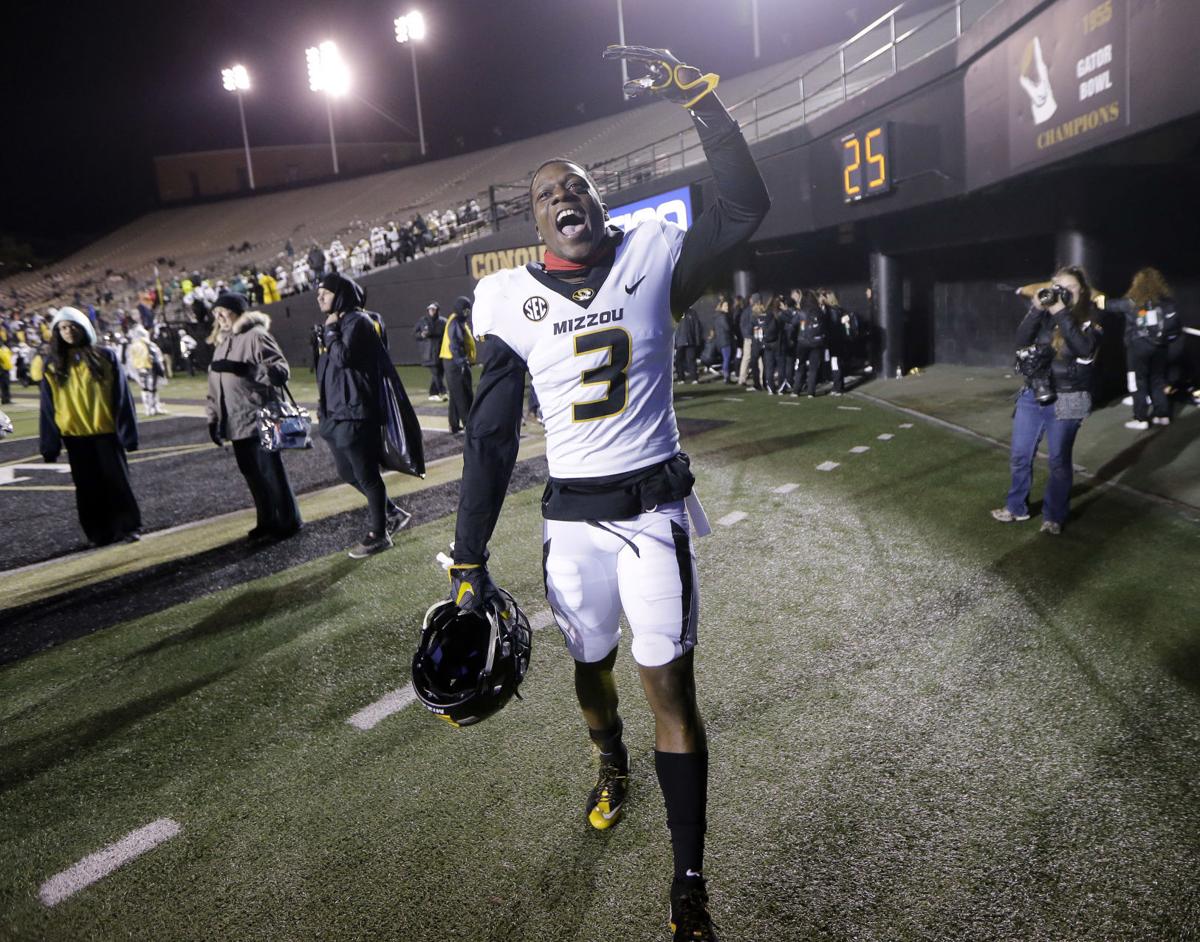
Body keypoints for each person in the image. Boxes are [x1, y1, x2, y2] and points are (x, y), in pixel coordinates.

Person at [446, 45, 768, 942]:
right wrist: (468, 556)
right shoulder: (507, 299)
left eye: (578, 185)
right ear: (534, 220)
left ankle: (688, 884)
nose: (566, 198)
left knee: (670, 683)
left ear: (598, 199)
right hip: (573, 526)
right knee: (589, 666)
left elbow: (746, 205)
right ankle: (609, 760)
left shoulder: (657, 255)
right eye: (550, 194)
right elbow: (492, 438)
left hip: (655, 514)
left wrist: (701, 103)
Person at [992, 266, 1100, 535]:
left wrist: (1060, 311)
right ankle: (1016, 507)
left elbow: (1083, 349)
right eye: (1058, 287)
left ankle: (1054, 515)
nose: (1062, 292)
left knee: (1058, 461)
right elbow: (1021, 340)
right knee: (1019, 454)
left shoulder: (1090, 321)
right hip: (1034, 393)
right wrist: (1037, 309)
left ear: (1082, 291)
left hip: (1068, 398)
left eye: (1069, 288)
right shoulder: (1046, 317)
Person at [315, 273, 411, 558]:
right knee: (347, 472)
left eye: (326, 292)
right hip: (336, 411)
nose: (319, 297)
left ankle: (379, 533)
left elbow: (344, 358)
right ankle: (392, 513)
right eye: (318, 292)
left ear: (342, 294)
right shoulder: (339, 322)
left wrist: (330, 333)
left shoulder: (358, 321)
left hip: (355, 410)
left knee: (367, 475)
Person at [39, 307, 141, 546]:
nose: (68, 331)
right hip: (75, 437)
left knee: (117, 482)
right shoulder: (52, 365)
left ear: (84, 328)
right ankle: (98, 533)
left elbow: (122, 398)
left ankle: (129, 527)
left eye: (73, 326)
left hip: (105, 432)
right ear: (56, 332)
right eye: (63, 327)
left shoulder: (105, 356)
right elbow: (47, 407)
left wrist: (128, 434)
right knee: (86, 489)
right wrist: (49, 445)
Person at [206, 293, 302, 544]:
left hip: (259, 416)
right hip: (236, 421)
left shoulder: (256, 335)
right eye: (216, 312)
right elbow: (214, 388)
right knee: (252, 474)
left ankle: (289, 521)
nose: (218, 316)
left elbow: (281, 371)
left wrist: (250, 370)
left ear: (238, 312)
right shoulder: (222, 342)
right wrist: (213, 418)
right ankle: (267, 520)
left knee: (271, 473)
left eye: (223, 311)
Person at [1101, 267, 1180, 430]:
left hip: (1138, 348)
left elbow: (1106, 305)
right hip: (1160, 346)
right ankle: (1162, 415)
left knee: (1139, 382)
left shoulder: (1131, 302)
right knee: (1158, 380)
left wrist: (1098, 298)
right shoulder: (1166, 302)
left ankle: (1140, 418)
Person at [440, 295, 476, 434]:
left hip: (453, 361)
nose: (467, 313)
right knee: (462, 393)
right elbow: (454, 345)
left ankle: (453, 424)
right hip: (455, 362)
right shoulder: (455, 321)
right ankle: (469, 424)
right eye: (466, 310)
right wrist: (462, 362)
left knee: (456, 393)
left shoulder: (457, 320)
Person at [127, 325, 167, 416]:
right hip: (149, 368)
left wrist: (133, 372)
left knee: (145, 389)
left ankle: (148, 409)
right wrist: (161, 370)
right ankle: (154, 408)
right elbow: (157, 357)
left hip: (139, 369)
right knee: (152, 389)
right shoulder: (147, 344)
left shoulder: (133, 346)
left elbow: (130, 360)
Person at [794, 290, 827, 398]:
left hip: (803, 342)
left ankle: (796, 390)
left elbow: (793, 325)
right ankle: (811, 391)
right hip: (816, 342)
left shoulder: (801, 312)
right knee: (813, 367)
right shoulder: (819, 311)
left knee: (800, 365)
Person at [413, 302, 447, 400]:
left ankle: (432, 394)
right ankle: (443, 392)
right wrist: (421, 335)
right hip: (428, 352)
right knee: (436, 372)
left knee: (439, 373)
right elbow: (415, 334)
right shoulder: (423, 321)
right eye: (430, 309)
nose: (431, 311)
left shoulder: (443, 322)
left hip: (441, 352)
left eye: (433, 309)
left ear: (437, 310)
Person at [673, 306, 702, 383]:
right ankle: (681, 378)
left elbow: (697, 327)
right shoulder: (675, 313)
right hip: (679, 342)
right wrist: (674, 343)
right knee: (679, 361)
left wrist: (697, 341)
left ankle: (694, 378)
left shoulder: (692, 313)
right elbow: (673, 328)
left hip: (690, 341)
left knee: (691, 360)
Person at [712, 296, 734, 383]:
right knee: (727, 359)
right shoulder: (723, 316)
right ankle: (726, 377)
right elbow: (727, 328)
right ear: (721, 307)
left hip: (720, 341)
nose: (727, 307)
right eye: (725, 306)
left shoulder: (717, 316)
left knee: (726, 358)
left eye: (727, 306)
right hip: (725, 340)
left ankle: (726, 376)